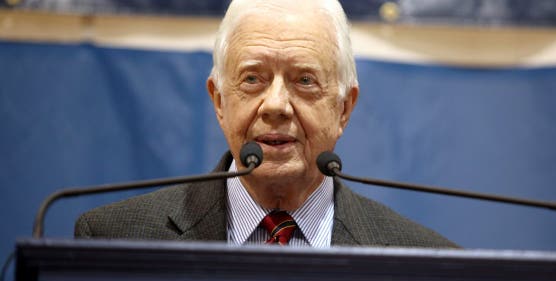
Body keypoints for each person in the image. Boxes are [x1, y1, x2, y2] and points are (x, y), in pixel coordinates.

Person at [75, 0, 457, 249]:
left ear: (344, 108)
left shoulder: (425, 263)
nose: (275, 106)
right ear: (220, 100)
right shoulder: (114, 240)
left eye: (304, 80)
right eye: (253, 79)